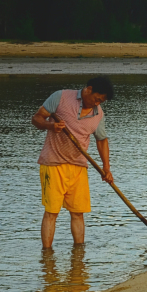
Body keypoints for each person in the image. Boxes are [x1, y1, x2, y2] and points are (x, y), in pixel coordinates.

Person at [31, 76, 114, 248]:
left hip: (78, 167)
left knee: (78, 213)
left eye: (101, 101)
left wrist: (106, 168)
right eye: (97, 99)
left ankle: (79, 255)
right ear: (89, 89)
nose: (97, 103)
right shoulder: (61, 97)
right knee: (51, 212)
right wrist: (50, 126)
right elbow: (37, 118)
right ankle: (47, 255)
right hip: (53, 164)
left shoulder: (98, 114)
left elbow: (101, 140)